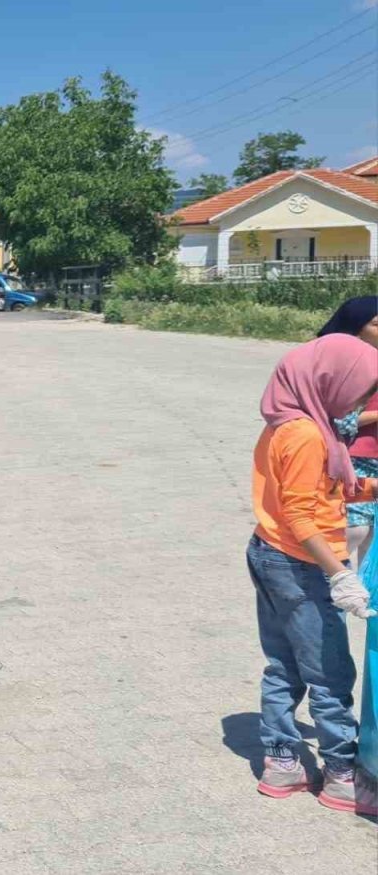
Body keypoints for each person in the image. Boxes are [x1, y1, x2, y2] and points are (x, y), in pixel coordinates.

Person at [245, 334, 378, 813]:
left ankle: (282, 762)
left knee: (284, 665)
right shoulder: (303, 434)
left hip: (273, 553)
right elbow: (302, 514)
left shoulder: (297, 421)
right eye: (360, 390)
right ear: (329, 381)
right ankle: (342, 776)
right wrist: (339, 575)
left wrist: (370, 488)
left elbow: (326, 489)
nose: (360, 402)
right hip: (300, 564)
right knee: (330, 673)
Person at [318, 295, 378, 569]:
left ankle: (369, 608)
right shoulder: (342, 367)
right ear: (354, 329)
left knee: (374, 549)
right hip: (355, 461)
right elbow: (339, 421)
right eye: (376, 324)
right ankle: (334, 600)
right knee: (353, 532)